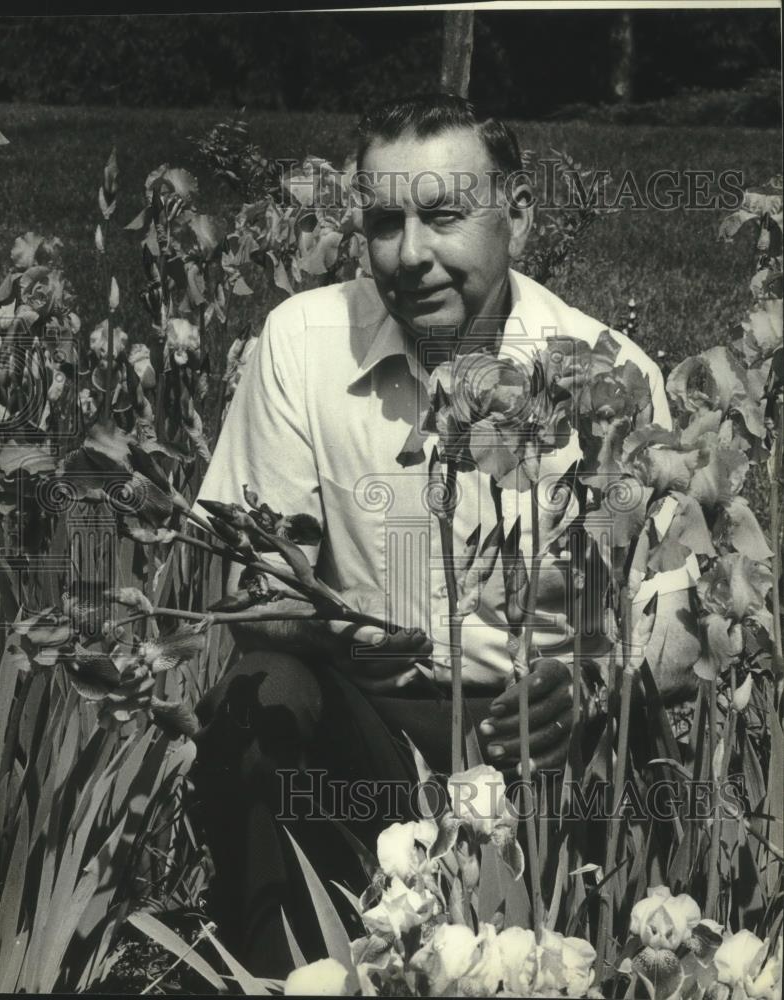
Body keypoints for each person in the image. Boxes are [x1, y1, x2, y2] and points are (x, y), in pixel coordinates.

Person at [191, 94, 672, 976]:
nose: (409, 256)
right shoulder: (301, 343)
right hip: (376, 706)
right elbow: (250, 588)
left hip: (541, 730)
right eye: (385, 222)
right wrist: (358, 630)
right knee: (259, 696)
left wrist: (590, 681)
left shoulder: (608, 372)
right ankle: (275, 968)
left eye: (444, 216)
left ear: (517, 218)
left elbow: (671, 612)